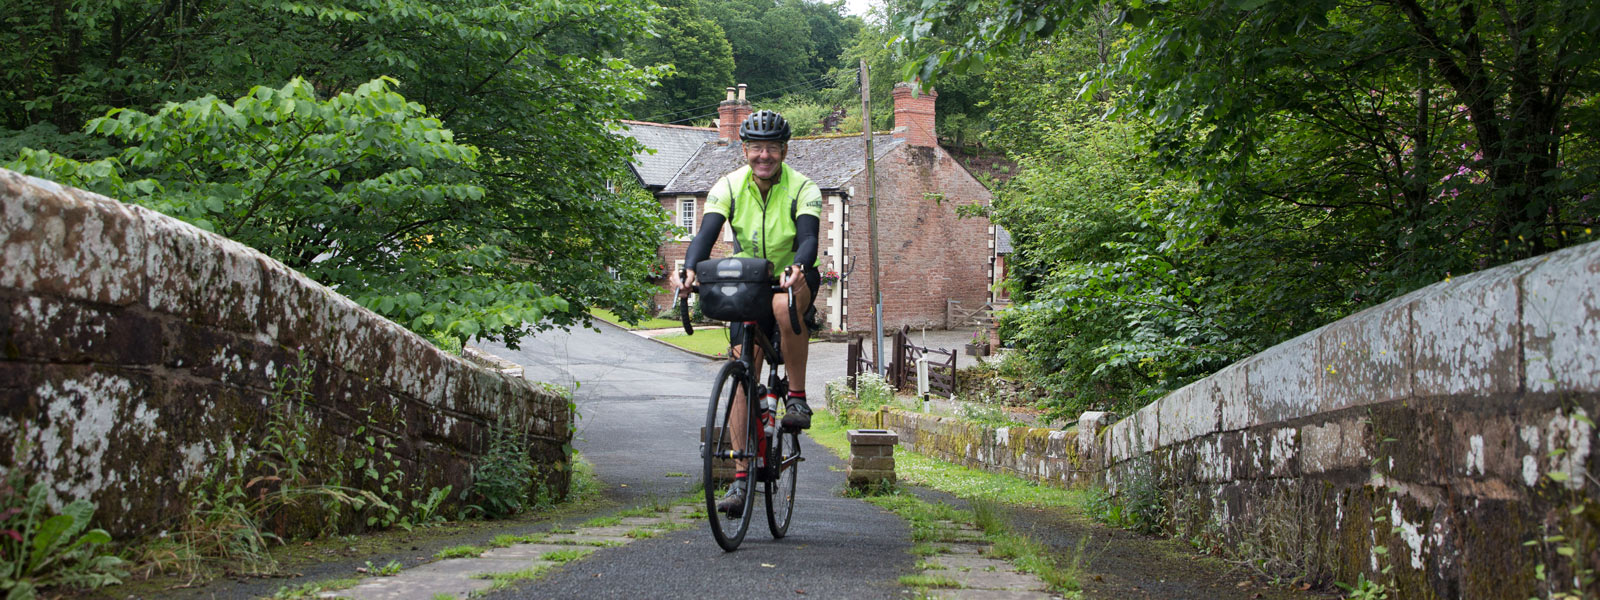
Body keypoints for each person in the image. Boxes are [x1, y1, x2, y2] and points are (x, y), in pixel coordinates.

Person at [672, 109, 822, 517]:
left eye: (772, 148)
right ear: (744, 151)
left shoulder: (803, 187)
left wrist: (799, 267)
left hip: (792, 277)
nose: (764, 155)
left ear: (784, 151)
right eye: (756, 148)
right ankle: (741, 480)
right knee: (742, 376)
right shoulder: (728, 186)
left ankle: (797, 399)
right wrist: (689, 270)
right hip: (748, 282)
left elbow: (809, 238)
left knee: (782, 303)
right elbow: (705, 234)